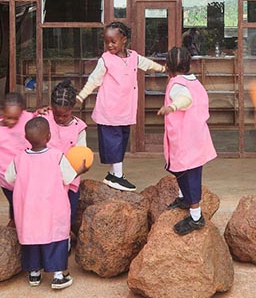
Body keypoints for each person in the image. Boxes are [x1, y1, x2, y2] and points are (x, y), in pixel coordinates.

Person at [75, 20, 166, 191]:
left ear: (124, 39)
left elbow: (147, 65)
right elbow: (94, 80)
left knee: (122, 140)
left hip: (125, 110)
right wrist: (81, 96)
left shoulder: (133, 57)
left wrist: (164, 69)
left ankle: (112, 173)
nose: (109, 45)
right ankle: (117, 176)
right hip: (109, 110)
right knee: (114, 142)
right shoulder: (105, 60)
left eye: (113, 41)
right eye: (106, 41)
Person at [4, 116, 85, 290]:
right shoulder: (57, 156)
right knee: (55, 239)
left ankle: (34, 274)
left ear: (26, 138)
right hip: (52, 210)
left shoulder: (19, 159)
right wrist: (81, 170)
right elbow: (69, 177)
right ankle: (57, 276)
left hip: (28, 211)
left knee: (31, 240)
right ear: (48, 137)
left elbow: (9, 178)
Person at [156, 47, 217, 235]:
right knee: (179, 170)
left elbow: (186, 99)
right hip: (194, 136)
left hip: (186, 139)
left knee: (190, 175)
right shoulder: (193, 81)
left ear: (168, 67)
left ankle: (196, 217)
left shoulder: (177, 84)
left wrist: (171, 107)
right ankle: (183, 198)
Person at [0, 92, 34, 223]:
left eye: (16, 118)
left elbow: (39, 119)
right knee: (14, 201)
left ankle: (19, 223)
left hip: (26, 174)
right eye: (8, 117)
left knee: (25, 203)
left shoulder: (27, 118)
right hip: (5, 178)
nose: (12, 122)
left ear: (21, 113)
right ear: (1, 111)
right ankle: (15, 223)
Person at [44, 80, 89, 223]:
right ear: (51, 107)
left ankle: (64, 242)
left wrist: (81, 168)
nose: (60, 118)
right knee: (45, 216)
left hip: (69, 181)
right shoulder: (43, 119)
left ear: (73, 108)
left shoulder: (79, 128)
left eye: (65, 115)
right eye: (57, 114)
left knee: (66, 216)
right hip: (45, 180)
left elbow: (82, 154)